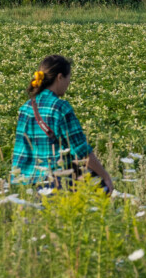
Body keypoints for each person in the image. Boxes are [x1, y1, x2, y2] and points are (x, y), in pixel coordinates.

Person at [12, 54, 113, 194]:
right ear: (60, 77)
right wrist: (105, 176)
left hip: (25, 184)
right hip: (56, 182)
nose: (68, 84)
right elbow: (81, 151)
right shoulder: (60, 107)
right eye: (68, 79)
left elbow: (20, 149)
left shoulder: (26, 107)